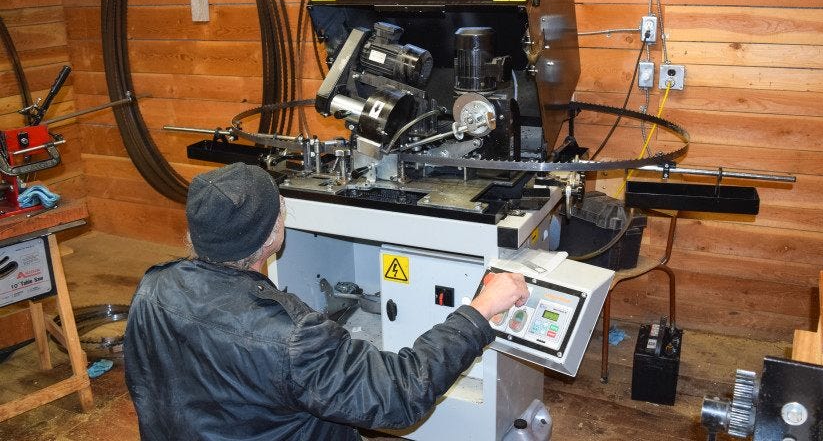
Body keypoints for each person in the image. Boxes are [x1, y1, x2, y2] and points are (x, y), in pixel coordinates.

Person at [124, 162, 530, 441]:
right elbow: (400, 392)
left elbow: (146, 386)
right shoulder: (290, 337)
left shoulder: (153, 289)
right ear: (271, 237)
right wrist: (479, 311)